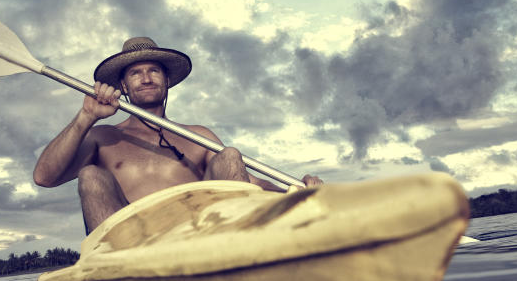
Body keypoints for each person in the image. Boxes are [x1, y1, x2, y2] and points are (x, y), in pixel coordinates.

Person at [34, 37, 322, 233]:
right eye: (136, 73)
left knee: (230, 155)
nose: (146, 78)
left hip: (198, 232)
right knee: (91, 175)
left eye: (153, 71)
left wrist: (296, 190)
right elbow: (44, 177)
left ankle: (242, 249)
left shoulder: (198, 136)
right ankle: (113, 273)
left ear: (167, 80)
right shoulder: (103, 136)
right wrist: (86, 117)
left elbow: (248, 180)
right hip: (129, 241)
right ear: (123, 84)